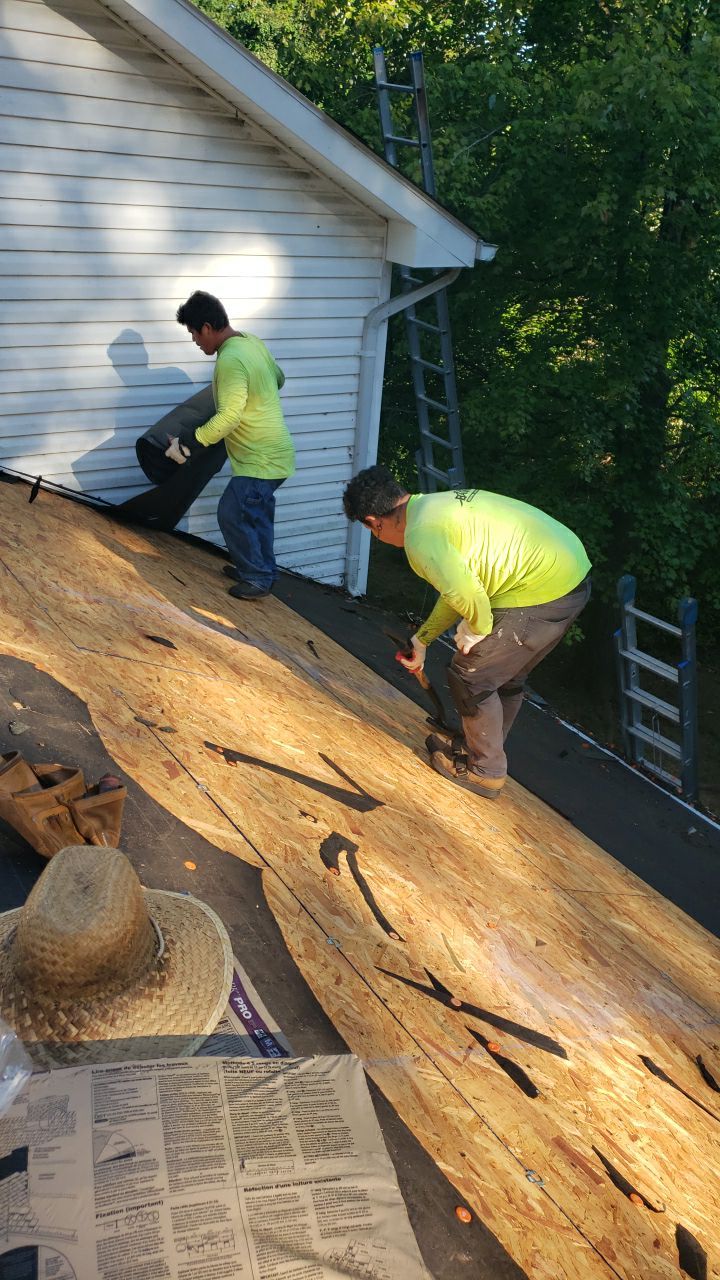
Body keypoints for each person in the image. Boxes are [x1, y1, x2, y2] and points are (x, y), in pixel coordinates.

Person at [342, 466, 591, 799]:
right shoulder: (432, 507)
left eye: (373, 532)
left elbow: (469, 598)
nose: (378, 538)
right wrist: (423, 639)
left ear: (375, 521)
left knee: (470, 675)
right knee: (504, 676)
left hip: (540, 590)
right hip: (567, 573)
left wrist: (477, 628)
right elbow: (457, 588)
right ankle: (478, 746)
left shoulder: (421, 538)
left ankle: (485, 772)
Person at [166, 291, 295, 599]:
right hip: (277, 453)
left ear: (208, 328)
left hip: (259, 458)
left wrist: (191, 441)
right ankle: (259, 569)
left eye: (195, 334)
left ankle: (257, 576)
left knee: (232, 512)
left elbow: (229, 418)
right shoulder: (250, 342)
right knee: (256, 515)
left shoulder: (230, 359)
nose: (196, 341)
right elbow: (278, 378)